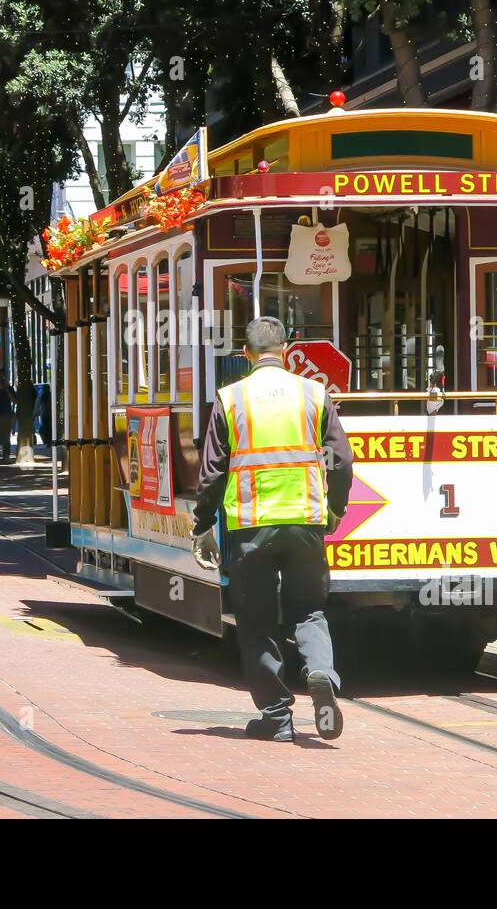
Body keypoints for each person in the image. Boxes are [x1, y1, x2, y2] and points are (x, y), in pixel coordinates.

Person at [192, 317, 354, 742]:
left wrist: (202, 525)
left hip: (251, 528)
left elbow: (212, 473)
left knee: (257, 620)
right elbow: (342, 461)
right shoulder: (314, 394)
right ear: (286, 349)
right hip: (305, 523)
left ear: (245, 354)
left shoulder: (231, 399)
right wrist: (335, 509)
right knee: (309, 610)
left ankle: (277, 717)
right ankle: (320, 673)